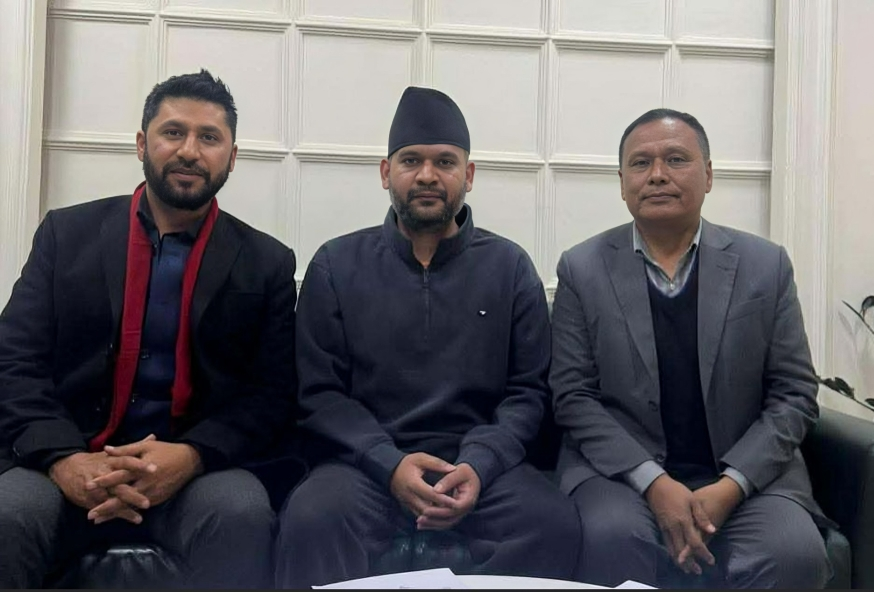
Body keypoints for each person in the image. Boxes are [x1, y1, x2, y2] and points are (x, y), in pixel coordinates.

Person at [0, 70, 297, 588]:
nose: (189, 151)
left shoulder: (266, 262)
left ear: (231, 156)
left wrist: (192, 456)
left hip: (194, 473)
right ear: (142, 143)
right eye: (173, 132)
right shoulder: (65, 235)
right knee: (8, 513)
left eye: (209, 138)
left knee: (240, 513)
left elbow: (271, 394)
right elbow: (14, 361)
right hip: (64, 461)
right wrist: (66, 459)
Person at [277, 86, 580, 587]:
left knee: (552, 524)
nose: (426, 175)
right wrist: (388, 464)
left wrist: (478, 464)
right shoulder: (335, 264)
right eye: (411, 160)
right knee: (312, 518)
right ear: (385, 172)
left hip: (481, 467)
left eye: (444, 162)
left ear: (469, 175)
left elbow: (529, 392)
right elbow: (321, 393)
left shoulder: (509, 267)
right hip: (364, 466)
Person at [549, 108, 832, 588]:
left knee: (793, 553)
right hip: (623, 476)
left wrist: (731, 486)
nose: (657, 175)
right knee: (610, 537)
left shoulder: (766, 266)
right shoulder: (582, 268)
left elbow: (794, 393)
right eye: (641, 163)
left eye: (676, 159)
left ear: (709, 175)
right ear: (622, 184)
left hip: (746, 478)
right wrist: (655, 483)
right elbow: (573, 395)